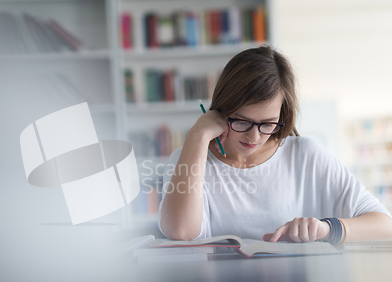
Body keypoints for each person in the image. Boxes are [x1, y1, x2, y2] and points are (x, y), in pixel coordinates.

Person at [158, 45, 392, 244]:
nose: (254, 137)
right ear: (222, 108)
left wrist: (328, 229)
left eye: (268, 124)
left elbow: (384, 225)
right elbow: (181, 232)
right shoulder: (189, 158)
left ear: (282, 117)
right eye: (241, 121)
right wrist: (198, 135)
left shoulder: (306, 155)